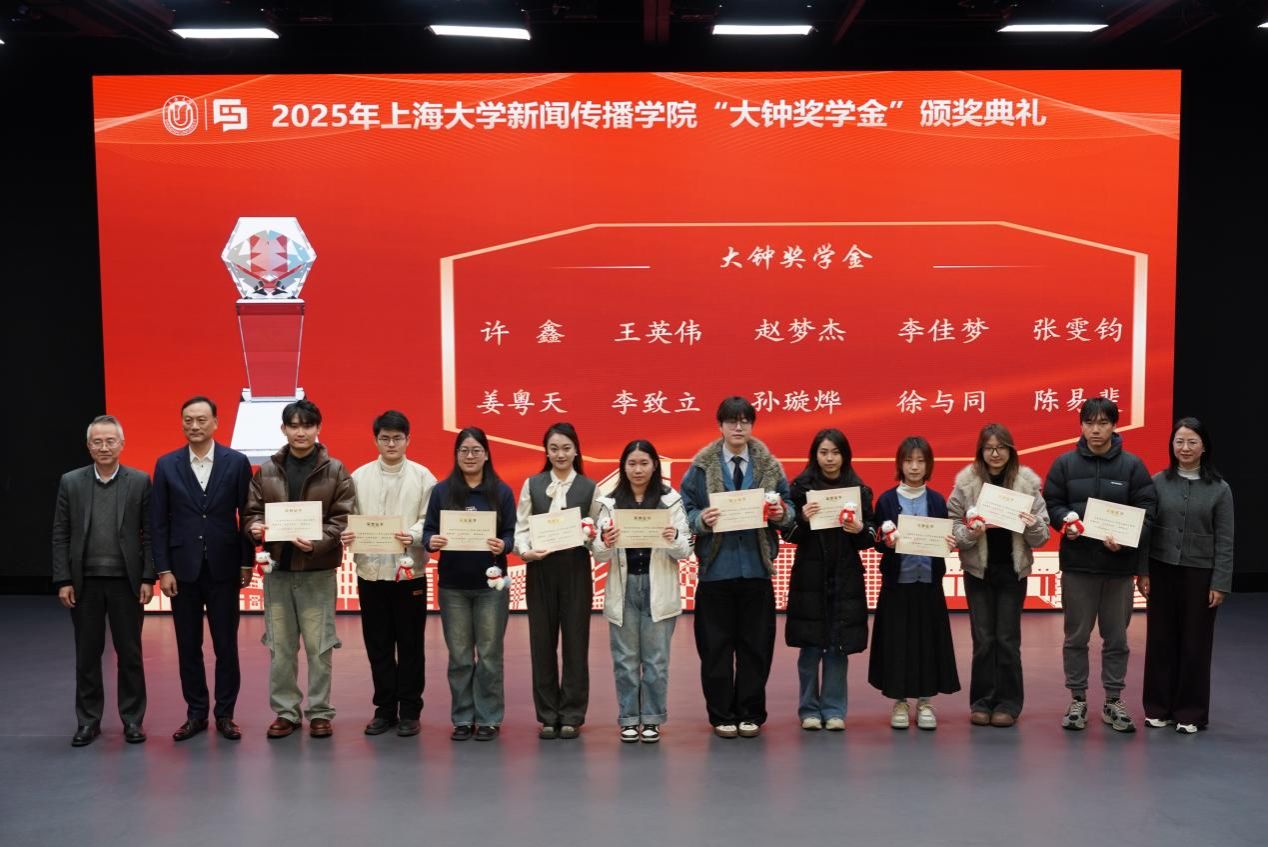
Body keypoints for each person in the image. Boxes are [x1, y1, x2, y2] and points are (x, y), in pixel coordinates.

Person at [681, 396, 795, 739]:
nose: (738, 426)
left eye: (745, 420)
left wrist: (781, 513)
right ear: (720, 425)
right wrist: (701, 519)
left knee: (755, 647)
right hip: (716, 571)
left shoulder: (769, 466)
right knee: (714, 648)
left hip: (756, 570)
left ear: (752, 425)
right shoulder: (701, 467)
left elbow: (789, 505)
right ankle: (721, 715)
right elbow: (685, 510)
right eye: (732, 421)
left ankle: (750, 712)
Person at [242, 399, 354, 739]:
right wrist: (255, 528)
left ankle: (320, 712)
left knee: (320, 648)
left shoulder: (335, 470)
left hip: (318, 571)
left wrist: (317, 541)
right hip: (278, 571)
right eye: (293, 425)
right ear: (283, 429)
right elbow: (252, 512)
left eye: (307, 425)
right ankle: (286, 712)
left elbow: (343, 517)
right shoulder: (267, 470)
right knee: (280, 647)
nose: (300, 432)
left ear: (318, 428)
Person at [1043, 397, 1156, 733]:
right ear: (1081, 425)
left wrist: (1128, 538)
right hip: (1078, 567)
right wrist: (1064, 521)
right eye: (1089, 423)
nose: (1096, 430)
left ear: (1114, 426)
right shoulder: (1064, 464)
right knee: (1076, 637)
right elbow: (1051, 502)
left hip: (1118, 569)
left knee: (1117, 638)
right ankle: (1077, 699)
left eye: (1103, 423)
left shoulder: (1132, 466)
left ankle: (1113, 700)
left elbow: (1148, 509)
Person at [151, 396, 254, 742]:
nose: (194, 426)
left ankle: (225, 714)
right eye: (188, 420)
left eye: (201, 420)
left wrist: (246, 561)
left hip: (225, 568)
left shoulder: (236, 462)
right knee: (188, 646)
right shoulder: (166, 464)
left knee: (226, 645)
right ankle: (196, 714)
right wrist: (163, 569)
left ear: (215, 423)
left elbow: (247, 515)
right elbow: (158, 523)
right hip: (182, 571)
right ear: (182, 423)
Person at [52, 415, 155, 746]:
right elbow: (61, 533)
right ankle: (88, 721)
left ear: (122, 444)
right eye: (97, 441)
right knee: (87, 655)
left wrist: (148, 576)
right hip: (84, 583)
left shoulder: (139, 481)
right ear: (88, 446)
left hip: (127, 582)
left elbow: (150, 534)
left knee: (130, 654)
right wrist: (63, 579)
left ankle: (133, 720)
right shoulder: (71, 482)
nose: (104, 447)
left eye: (110, 441)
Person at [948, 423, 1051, 728]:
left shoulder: (1027, 483)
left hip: (1012, 571)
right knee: (983, 640)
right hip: (978, 571)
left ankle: (1008, 703)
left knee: (1007, 639)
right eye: (989, 448)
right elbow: (952, 523)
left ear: (1011, 450)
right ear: (981, 451)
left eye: (1001, 447)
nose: (995, 454)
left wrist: (1032, 524)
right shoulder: (966, 483)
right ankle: (981, 702)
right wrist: (970, 532)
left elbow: (1042, 534)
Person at [341, 410, 436, 738]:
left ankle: (409, 710)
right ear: (376, 440)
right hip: (370, 573)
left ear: (408, 440)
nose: (391, 444)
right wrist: (348, 533)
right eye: (385, 438)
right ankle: (384, 709)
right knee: (377, 644)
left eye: (397, 438)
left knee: (411, 645)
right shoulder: (359, 477)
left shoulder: (423, 477)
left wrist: (411, 534)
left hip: (409, 573)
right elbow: (349, 517)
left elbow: (429, 520)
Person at [592, 440, 693, 742]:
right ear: (623, 467)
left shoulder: (670, 500)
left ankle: (651, 718)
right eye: (632, 463)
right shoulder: (609, 503)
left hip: (657, 587)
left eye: (644, 463)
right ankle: (628, 718)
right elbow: (598, 553)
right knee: (624, 661)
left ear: (654, 466)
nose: (638, 469)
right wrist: (606, 541)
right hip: (624, 588)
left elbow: (685, 550)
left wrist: (673, 537)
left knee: (656, 661)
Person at [423, 427, 517, 742]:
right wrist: (432, 541)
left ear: (486, 454)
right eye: (464, 450)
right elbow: (428, 531)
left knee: (489, 655)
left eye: (476, 450)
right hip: (453, 587)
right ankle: (463, 717)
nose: (470, 456)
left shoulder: (501, 492)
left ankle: (489, 717)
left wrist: (503, 545)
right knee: (460, 657)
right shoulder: (442, 491)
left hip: (491, 587)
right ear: (456, 454)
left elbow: (511, 533)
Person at [1142, 417, 1234, 734]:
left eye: (1192, 442)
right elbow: (1146, 530)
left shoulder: (1220, 490)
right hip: (1161, 570)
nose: (1185, 448)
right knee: (1160, 640)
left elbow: (1225, 540)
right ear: (1172, 445)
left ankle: (1190, 712)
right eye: (1179, 441)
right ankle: (1158, 707)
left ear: (1204, 447)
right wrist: (1143, 571)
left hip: (1200, 575)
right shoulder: (1157, 482)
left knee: (1196, 643)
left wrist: (1220, 582)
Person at [783, 428, 874, 732]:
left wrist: (860, 529)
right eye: (824, 452)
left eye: (836, 452)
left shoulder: (858, 490)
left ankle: (834, 710)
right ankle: (809, 709)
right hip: (810, 579)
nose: (830, 458)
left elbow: (869, 538)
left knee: (838, 645)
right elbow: (789, 534)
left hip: (845, 579)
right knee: (810, 647)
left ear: (845, 456)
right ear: (815, 455)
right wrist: (802, 519)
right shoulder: (800, 489)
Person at [868, 435, 960, 730]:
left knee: (927, 643)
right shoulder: (886, 500)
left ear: (929, 464)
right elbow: (877, 542)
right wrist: (886, 542)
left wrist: (949, 543)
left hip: (929, 584)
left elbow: (944, 539)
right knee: (897, 643)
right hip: (897, 585)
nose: (915, 467)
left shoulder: (936, 500)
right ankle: (899, 702)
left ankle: (925, 701)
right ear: (900, 464)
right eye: (909, 461)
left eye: (921, 461)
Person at [513, 422, 597, 739]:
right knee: (542, 643)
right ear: (546, 452)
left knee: (576, 643)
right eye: (553, 448)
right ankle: (548, 715)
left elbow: (598, 530)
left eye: (566, 448)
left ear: (576, 450)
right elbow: (521, 528)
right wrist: (526, 551)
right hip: (541, 570)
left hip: (576, 570)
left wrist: (591, 535)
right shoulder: (533, 484)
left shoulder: (590, 488)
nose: (560, 454)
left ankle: (572, 714)